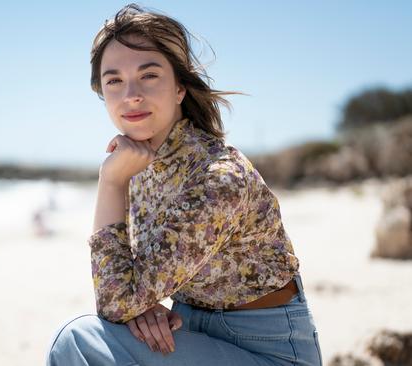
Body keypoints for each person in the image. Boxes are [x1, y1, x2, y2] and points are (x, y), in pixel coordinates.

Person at [45, 3, 323, 365]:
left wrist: (109, 181)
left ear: (180, 87)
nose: (131, 94)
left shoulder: (219, 178)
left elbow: (115, 301)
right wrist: (144, 307)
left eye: (149, 75)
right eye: (114, 81)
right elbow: (128, 291)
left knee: (76, 342)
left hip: (265, 351)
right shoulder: (141, 163)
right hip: (192, 332)